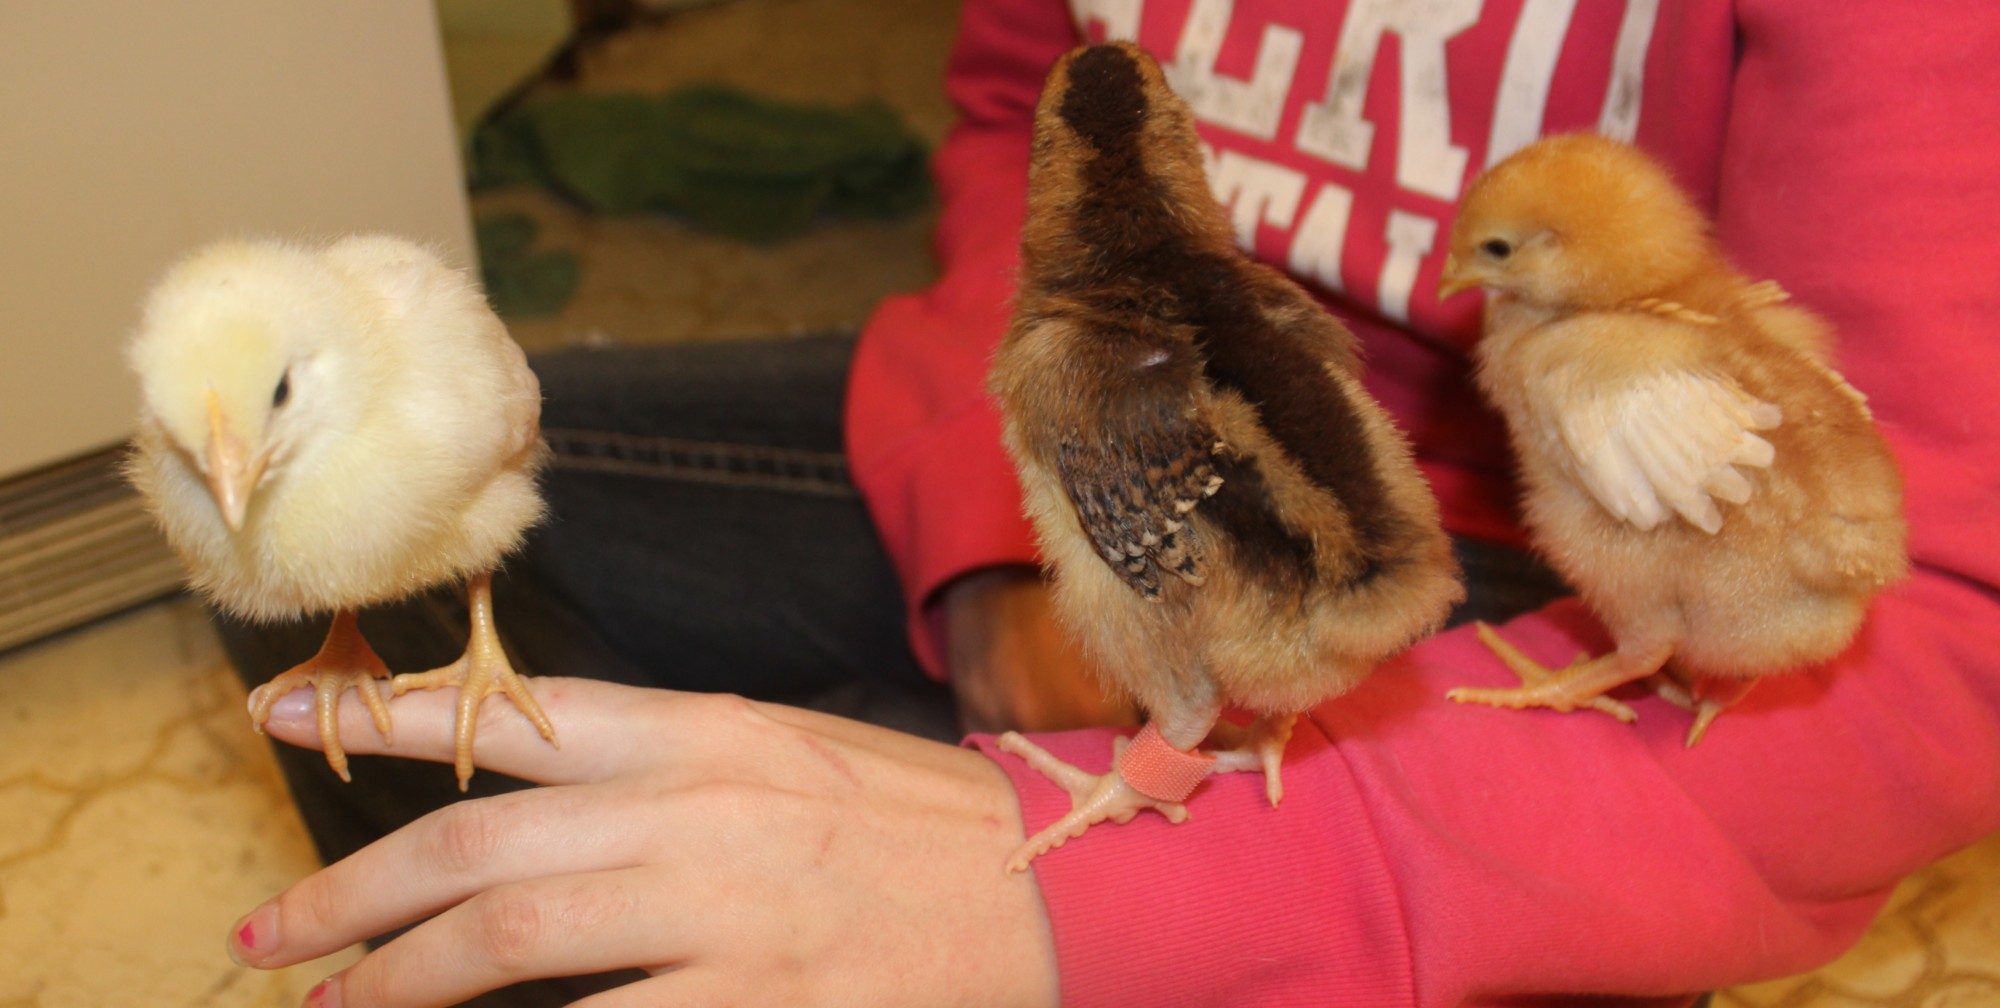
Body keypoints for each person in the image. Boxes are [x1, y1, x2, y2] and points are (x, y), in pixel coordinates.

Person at [216, 0, 2000, 1004]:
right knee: (311, 517)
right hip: (1094, 404)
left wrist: (1140, 889)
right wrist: (999, 542)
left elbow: (1931, 614)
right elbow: (1022, 107)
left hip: (1546, 557)